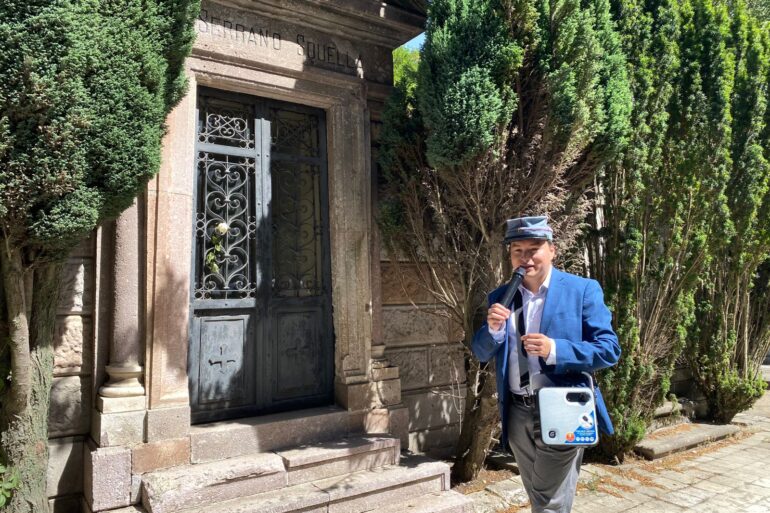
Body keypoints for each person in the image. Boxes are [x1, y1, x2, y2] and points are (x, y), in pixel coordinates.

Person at [472, 216, 620, 513]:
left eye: (534, 248)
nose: (525, 257)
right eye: (518, 251)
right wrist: (494, 331)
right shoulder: (502, 297)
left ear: (552, 250)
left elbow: (609, 349)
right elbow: (480, 352)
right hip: (516, 414)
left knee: (547, 500)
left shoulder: (582, 290)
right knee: (548, 497)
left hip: (562, 408)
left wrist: (556, 349)